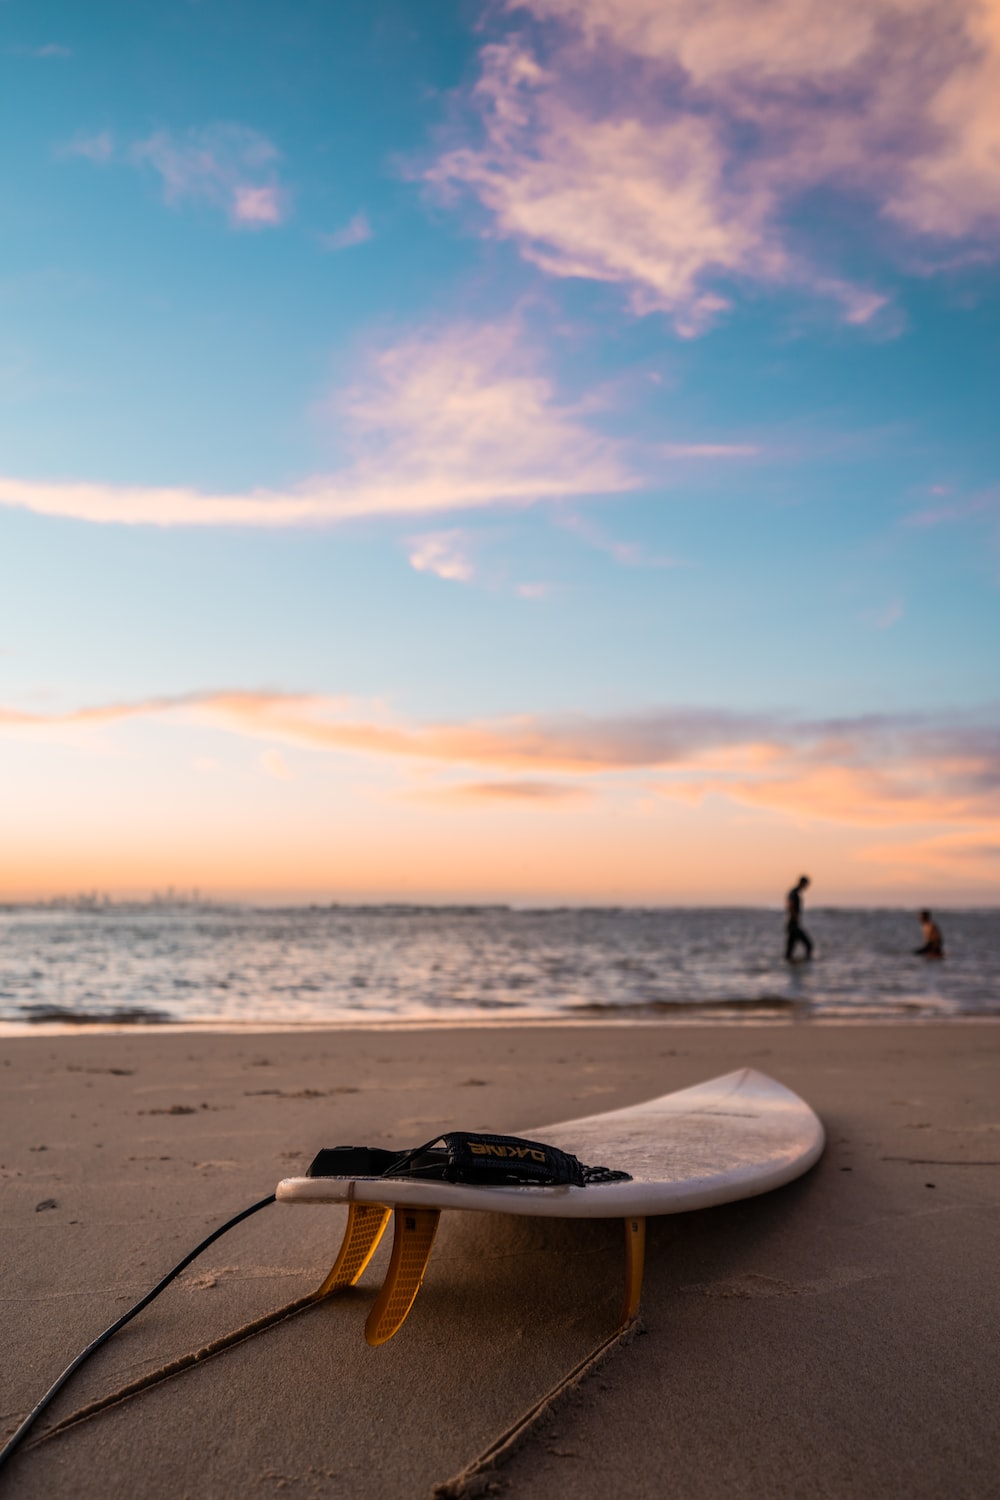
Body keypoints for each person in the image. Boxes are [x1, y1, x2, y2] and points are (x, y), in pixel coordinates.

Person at [785, 875, 813, 962]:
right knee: (808, 944)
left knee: (790, 948)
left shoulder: (795, 892)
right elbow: (790, 904)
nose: (806, 887)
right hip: (793, 924)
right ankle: (806, 962)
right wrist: (794, 916)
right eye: (806, 885)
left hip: (793, 923)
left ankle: (790, 964)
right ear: (802, 883)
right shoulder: (794, 893)